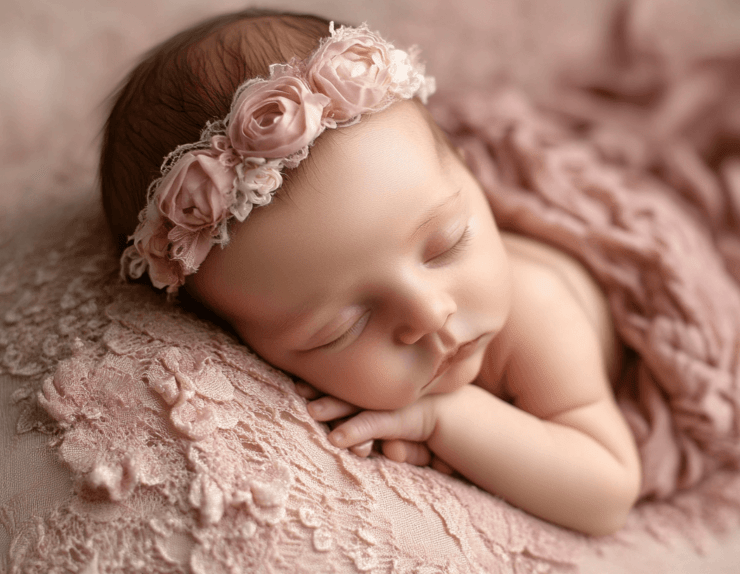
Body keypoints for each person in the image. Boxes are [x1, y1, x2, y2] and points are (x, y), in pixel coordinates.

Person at [100, 9, 640, 536]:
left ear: (469, 173)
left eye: (446, 245)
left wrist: (446, 421)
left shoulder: (537, 308)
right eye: (344, 327)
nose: (430, 313)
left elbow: (608, 491)